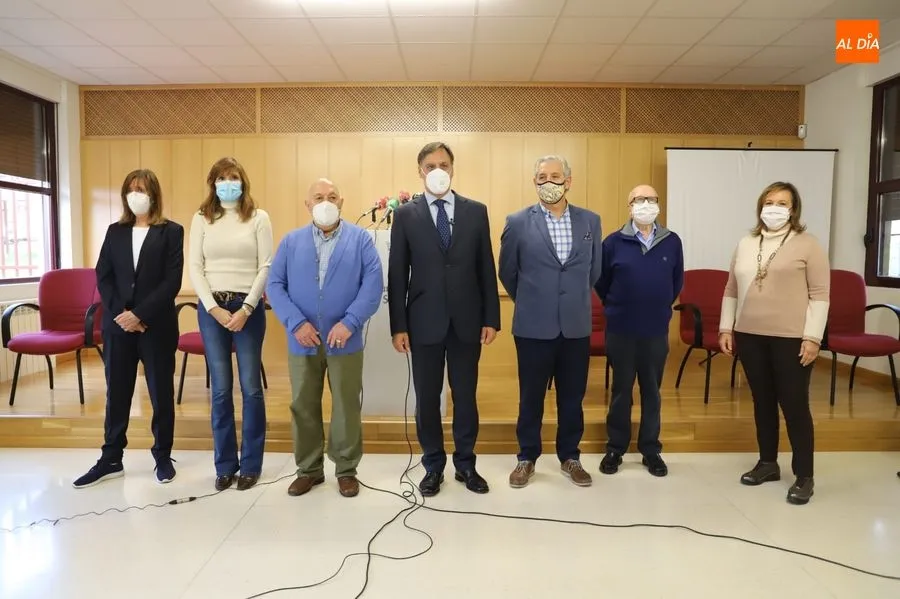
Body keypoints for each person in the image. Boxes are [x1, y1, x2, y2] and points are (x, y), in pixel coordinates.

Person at [388, 141, 501, 496]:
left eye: (444, 164)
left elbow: (486, 266)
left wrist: (492, 318)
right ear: (420, 171)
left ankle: (466, 465)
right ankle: (433, 465)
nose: (437, 170)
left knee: (465, 396)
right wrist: (398, 326)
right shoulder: (406, 214)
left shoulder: (475, 211)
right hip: (423, 322)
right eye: (430, 165)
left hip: (468, 321)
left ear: (452, 169)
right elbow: (396, 274)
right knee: (427, 398)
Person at [267, 178, 382, 499]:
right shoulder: (291, 242)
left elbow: (372, 286)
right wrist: (295, 323)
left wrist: (350, 322)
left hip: (346, 340)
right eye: (318, 197)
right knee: (303, 403)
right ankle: (309, 470)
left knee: (346, 405)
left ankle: (346, 470)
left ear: (342, 202)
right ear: (307, 205)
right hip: (301, 340)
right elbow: (275, 286)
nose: (326, 201)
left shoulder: (361, 241)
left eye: (332, 196)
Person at [718, 181, 829, 505]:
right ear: (760, 206)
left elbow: (820, 295)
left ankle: (804, 475)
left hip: (791, 338)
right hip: (750, 334)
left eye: (782, 203)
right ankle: (768, 463)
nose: (775, 208)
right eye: (769, 201)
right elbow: (731, 290)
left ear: (793, 209)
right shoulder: (746, 242)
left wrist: (812, 338)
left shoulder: (808, 244)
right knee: (762, 401)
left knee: (794, 405)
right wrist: (727, 327)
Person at [74, 169, 184, 488]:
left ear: (154, 194)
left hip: (156, 326)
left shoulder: (171, 231)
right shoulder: (115, 231)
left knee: (160, 392)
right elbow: (103, 275)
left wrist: (139, 313)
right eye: (132, 189)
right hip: (117, 326)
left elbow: (171, 281)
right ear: (125, 194)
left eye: (143, 189)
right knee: (117, 392)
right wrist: (122, 313)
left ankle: (162, 456)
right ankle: (111, 458)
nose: (137, 194)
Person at [498, 155, 602, 489]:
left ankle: (570, 456)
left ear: (568, 181)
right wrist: (531, 299)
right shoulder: (517, 222)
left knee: (572, 397)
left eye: (555, 176)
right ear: (535, 183)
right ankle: (526, 457)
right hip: (532, 326)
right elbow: (507, 272)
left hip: (575, 326)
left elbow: (594, 272)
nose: (549, 183)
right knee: (531, 397)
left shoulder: (590, 222)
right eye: (542, 177)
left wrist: (570, 299)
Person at [189, 157, 273, 492]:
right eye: (221, 178)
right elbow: (196, 267)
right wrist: (214, 309)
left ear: (243, 182)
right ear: (212, 182)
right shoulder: (201, 218)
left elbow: (265, 265)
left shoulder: (258, 217)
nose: (228, 183)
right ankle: (225, 465)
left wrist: (247, 308)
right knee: (221, 390)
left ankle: (251, 465)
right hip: (212, 310)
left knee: (251, 389)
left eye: (234, 177)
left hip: (248, 307)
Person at [594, 184, 683, 478]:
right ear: (629, 205)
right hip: (621, 330)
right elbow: (601, 283)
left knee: (652, 392)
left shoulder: (672, 242)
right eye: (639, 199)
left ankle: (650, 450)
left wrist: (655, 305)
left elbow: (676, 283)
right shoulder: (613, 243)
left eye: (651, 199)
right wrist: (619, 306)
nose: (646, 204)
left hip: (655, 330)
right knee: (621, 390)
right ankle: (615, 448)